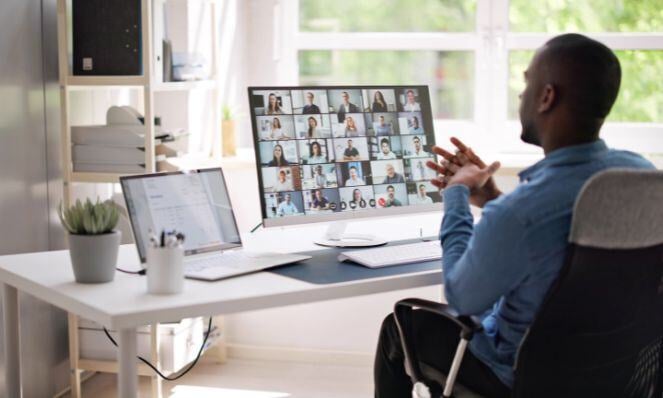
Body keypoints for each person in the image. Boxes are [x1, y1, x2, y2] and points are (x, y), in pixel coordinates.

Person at [374, 34, 655, 398]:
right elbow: (555, 239)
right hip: (615, 373)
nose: (521, 96)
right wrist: (491, 197)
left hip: (521, 378)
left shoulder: (522, 211)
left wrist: (456, 193)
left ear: (546, 96)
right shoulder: (640, 175)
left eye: (526, 82)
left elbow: (462, 296)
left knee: (398, 326)